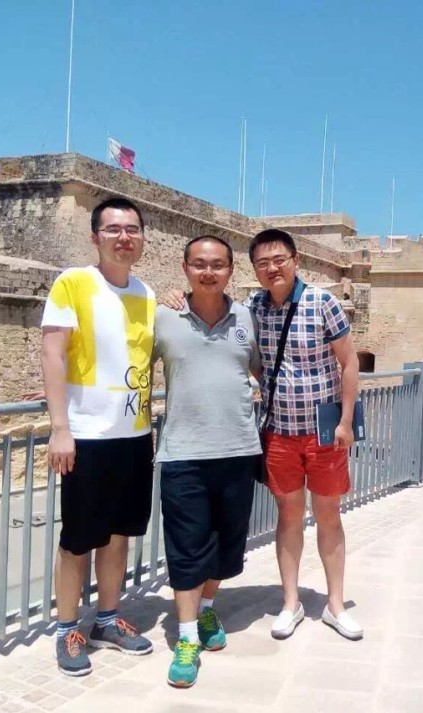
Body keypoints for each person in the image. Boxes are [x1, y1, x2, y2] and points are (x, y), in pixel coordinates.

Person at [41, 197, 156, 677]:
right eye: (113, 229)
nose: (124, 237)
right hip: (86, 436)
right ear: (95, 237)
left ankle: (107, 619)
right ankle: (68, 628)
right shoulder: (73, 283)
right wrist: (60, 427)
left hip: (135, 434)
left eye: (132, 229)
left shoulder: (147, 293)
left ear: (142, 238)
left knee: (119, 534)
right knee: (78, 540)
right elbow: (53, 353)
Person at [152, 236, 262, 688]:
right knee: (186, 547)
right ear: (185, 269)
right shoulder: (163, 316)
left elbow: (264, 370)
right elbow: (126, 367)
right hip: (183, 453)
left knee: (227, 544)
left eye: (217, 265)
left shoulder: (248, 319)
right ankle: (186, 638)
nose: (208, 272)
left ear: (231, 271)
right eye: (199, 264)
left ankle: (207, 609)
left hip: (238, 450)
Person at [248, 229, 363, 641]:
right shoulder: (254, 307)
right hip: (279, 432)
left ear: (296, 261)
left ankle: (335, 605)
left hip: (323, 432)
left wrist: (345, 422)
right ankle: (290, 603)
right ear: (255, 270)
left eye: (279, 260)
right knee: (289, 517)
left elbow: (349, 362)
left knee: (329, 516)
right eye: (263, 263)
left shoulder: (321, 302)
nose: (272, 268)